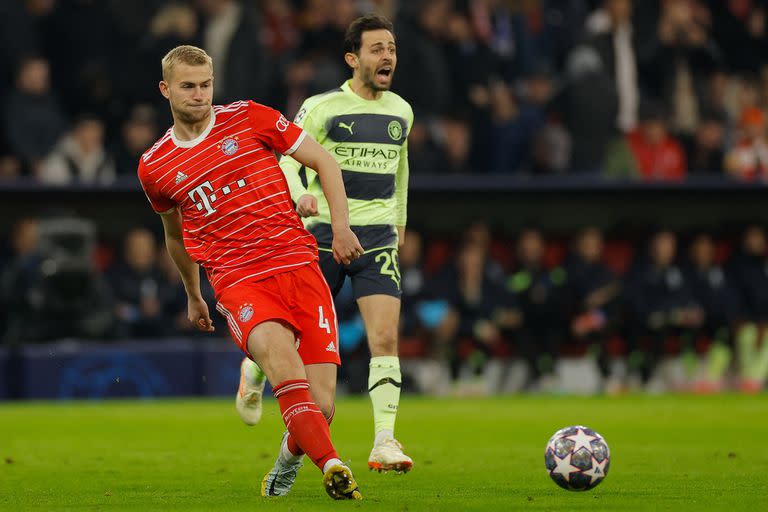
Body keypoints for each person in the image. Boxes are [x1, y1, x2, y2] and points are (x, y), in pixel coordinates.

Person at [136, 45, 364, 500]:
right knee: (284, 368)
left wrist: (340, 229)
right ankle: (334, 465)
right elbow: (175, 236)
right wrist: (193, 293)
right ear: (166, 90)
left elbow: (324, 160)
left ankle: (286, 462)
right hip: (239, 280)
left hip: (300, 265)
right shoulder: (155, 166)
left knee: (321, 406)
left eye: (206, 84)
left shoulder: (250, 117)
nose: (199, 95)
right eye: (188, 86)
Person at [239, 14, 414, 479]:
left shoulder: (401, 110)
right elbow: (288, 159)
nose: (387, 56)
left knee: (385, 337)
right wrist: (301, 195)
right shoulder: (322, 107)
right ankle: (254, 371)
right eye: (377, 49)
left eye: (391, 48)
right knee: (293, 337)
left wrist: (399, 223)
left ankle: (385, 440)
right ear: (352, 58)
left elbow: (400, 172)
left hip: (376, 235)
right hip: (321, 233)